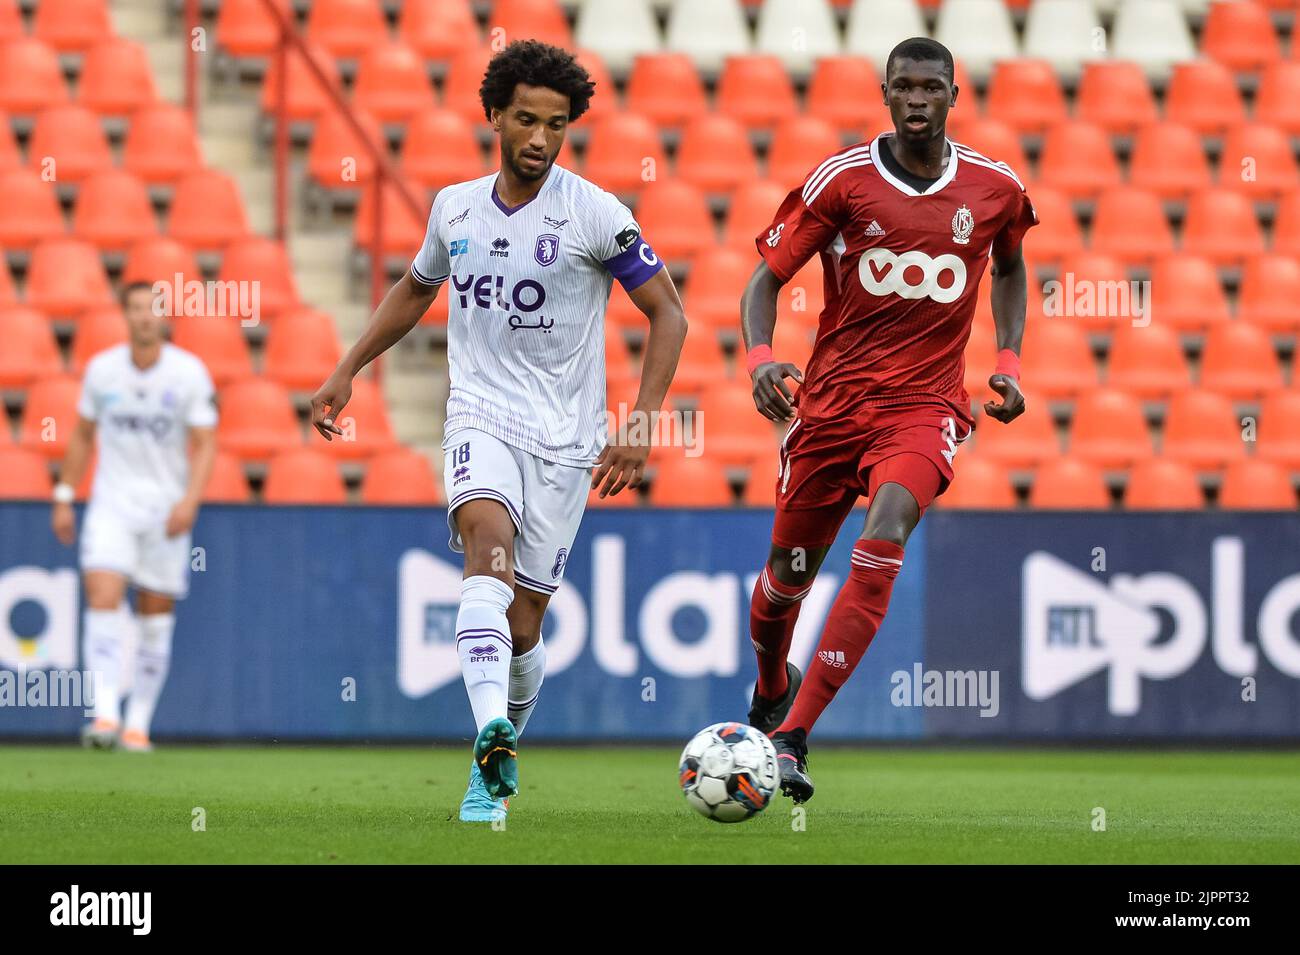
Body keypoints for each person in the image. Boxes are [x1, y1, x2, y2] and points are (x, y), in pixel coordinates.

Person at [310, 40, 686, 823]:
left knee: (521, 628)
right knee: (487, 552)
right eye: (526, 120)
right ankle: (487, 741)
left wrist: (641, 422)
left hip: (566, 438)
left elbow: (669, 313)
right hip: (480, 413)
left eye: (556, 124)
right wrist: (349, 368)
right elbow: (417, 291)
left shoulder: (596, 213)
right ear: (494, 117)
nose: (541, 139)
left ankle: (501, 742)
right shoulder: (454, 207)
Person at [740, 37, 1037, 802]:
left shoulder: (995, 188)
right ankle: (774, 679)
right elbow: (764, 281)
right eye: (902, 86)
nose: (915, 99)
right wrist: (761, 357)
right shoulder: (843, 181)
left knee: (889, 526)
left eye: (929, 87)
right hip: (830, 409)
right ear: (884, 94)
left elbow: (1009, 265)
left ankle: (791, 735)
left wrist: (1006, 362)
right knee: (785, 581)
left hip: (924, 406)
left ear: (951, 95)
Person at [53, 281, 218, 752]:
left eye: (152, 309)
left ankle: (137, 724)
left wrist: (189, 501)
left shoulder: (188, 373)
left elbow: (206, 443)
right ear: (124, 315)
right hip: (112, 505)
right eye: (136, 309)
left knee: (154, 618)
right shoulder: (102, 371)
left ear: (164, 317)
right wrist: (64, 494)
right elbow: (83, 436)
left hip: (165, 510)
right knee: (102, 595)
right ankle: (104, 714)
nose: (144, 317)